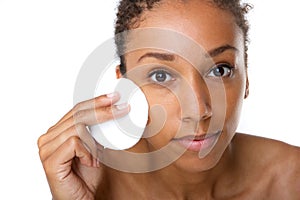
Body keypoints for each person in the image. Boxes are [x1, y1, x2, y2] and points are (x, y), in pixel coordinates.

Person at [37, 0, 300, 199]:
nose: (198, 110)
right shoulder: (93, 184)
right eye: (161, 75)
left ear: (247, 77)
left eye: (219, 70)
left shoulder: (292, 179)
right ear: (126, 87)